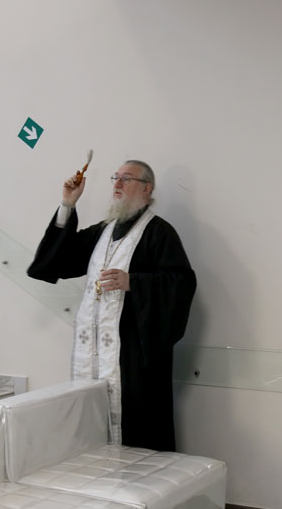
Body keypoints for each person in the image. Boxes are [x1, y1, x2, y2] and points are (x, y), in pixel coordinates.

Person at [28, 159, 196, 451]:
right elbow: (54, 263)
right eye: (115, 178)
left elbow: (181, 283)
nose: (117, 184)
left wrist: (133, 282)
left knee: (137, 435)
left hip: (132, 358)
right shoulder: (103, 231)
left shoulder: (159, 233)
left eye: (126, 179)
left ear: (147, 188)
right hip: (93, 355)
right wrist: (68, 204)